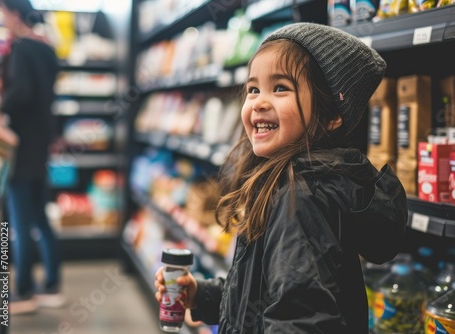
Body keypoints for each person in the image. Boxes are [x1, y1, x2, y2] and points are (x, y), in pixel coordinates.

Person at [155, 22, 408, 333]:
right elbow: (260, 294)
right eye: (253, 89)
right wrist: (202, 295)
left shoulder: (299, 197)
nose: (259, 102)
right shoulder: (293, 183)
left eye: (280, 88)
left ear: (330, 116)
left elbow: (301, 319)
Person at [0, 0, 63, 314]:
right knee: (40, 218)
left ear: (14, 12)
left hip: (20, 148)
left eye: (3, 13)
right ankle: (51, 286)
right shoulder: (46, 48)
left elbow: (21, 90)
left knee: (16, 224)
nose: (2, 19)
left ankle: (21, 293)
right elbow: (41, 92)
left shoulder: (21, 48)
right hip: (41, 146)